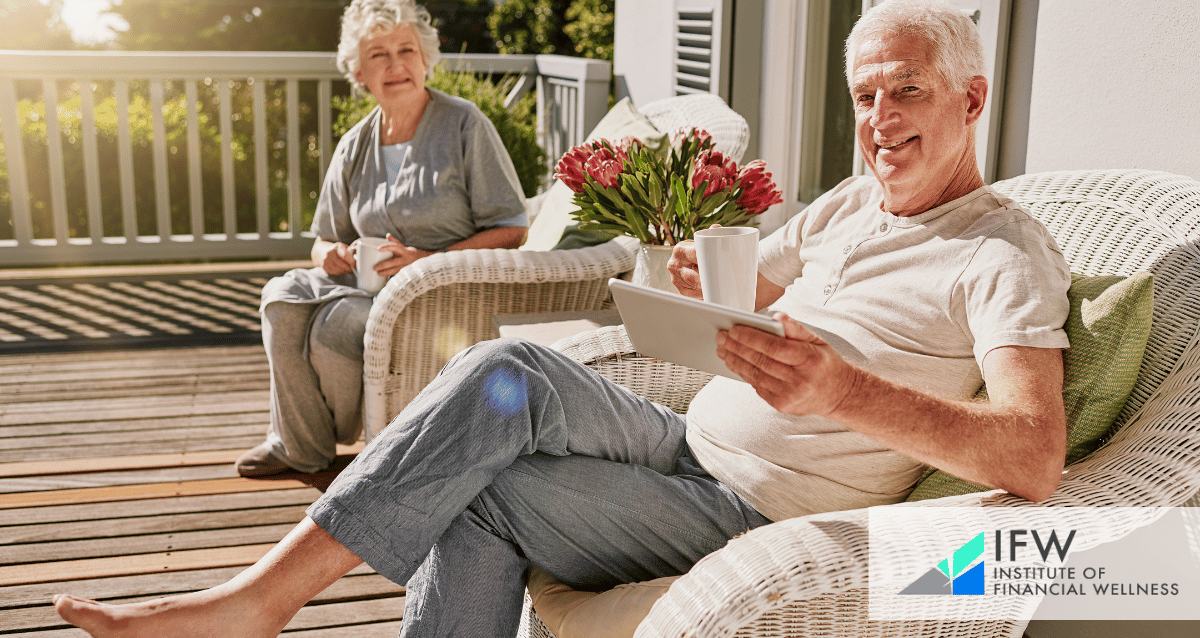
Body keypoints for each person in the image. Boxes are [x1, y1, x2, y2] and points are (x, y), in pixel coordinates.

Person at [53, 0, 1072, 635]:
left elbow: (1033, 453)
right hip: (684, 436)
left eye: (908, 92)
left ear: (972, 98)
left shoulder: (1000, 252)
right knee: (512, 372)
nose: (881, 121)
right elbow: (750, 287)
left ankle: (261, 601)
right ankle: (263, 598)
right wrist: (690, 279)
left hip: (756, 502)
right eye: (865, 96)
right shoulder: (854, 200)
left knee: (480, 488)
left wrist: (842, 388)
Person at [236, 0, 529, 477]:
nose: (395, 66)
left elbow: (513, 227)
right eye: (378, 55)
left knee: (337, 323)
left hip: (440, 290)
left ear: (425, 59)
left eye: (406, 50)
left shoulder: (464, 124)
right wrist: (329, 254)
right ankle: (300, 445)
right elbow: (323, 237)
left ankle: (338, 443)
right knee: (281, 297)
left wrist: (428, 258)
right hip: (366, 283)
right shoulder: (356, 143)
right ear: (359, 72)